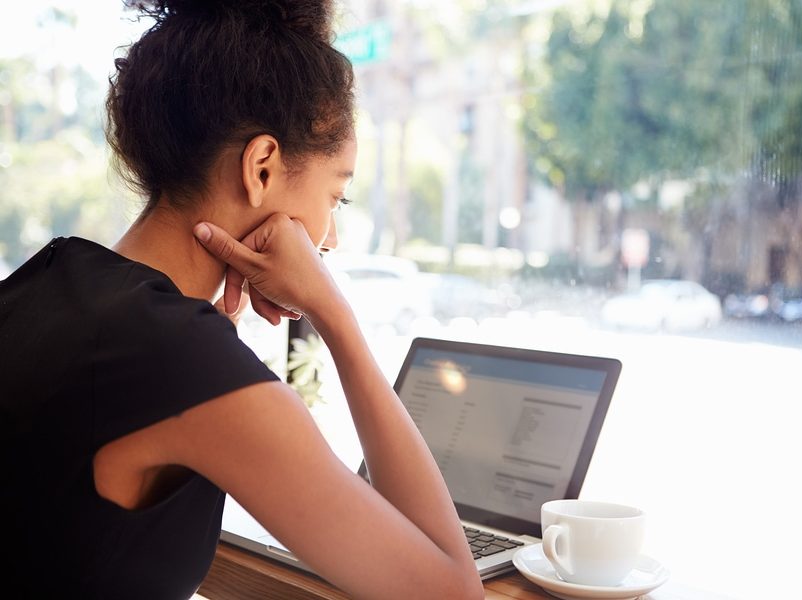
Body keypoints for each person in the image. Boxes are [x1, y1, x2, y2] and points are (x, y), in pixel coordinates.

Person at [0, 1, 484, 599]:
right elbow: (452, 591)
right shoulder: (181, 360)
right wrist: (334, 314)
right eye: (337, 197)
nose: (328, 239)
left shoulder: (46, 280)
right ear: (261, 167)